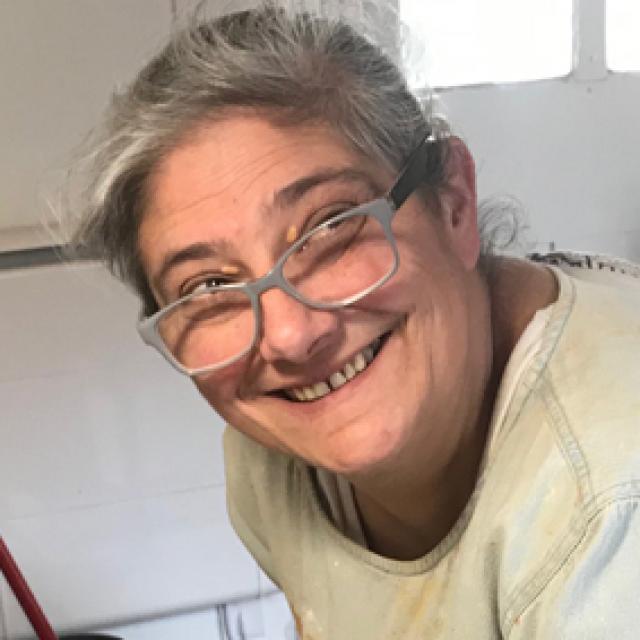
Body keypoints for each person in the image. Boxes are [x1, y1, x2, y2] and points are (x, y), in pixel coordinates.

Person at [71, 3, 640, 638]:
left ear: (452, 204)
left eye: (329, 228)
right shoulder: (270, 462)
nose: (290, 336)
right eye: (209, 286)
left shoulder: (612, 512)